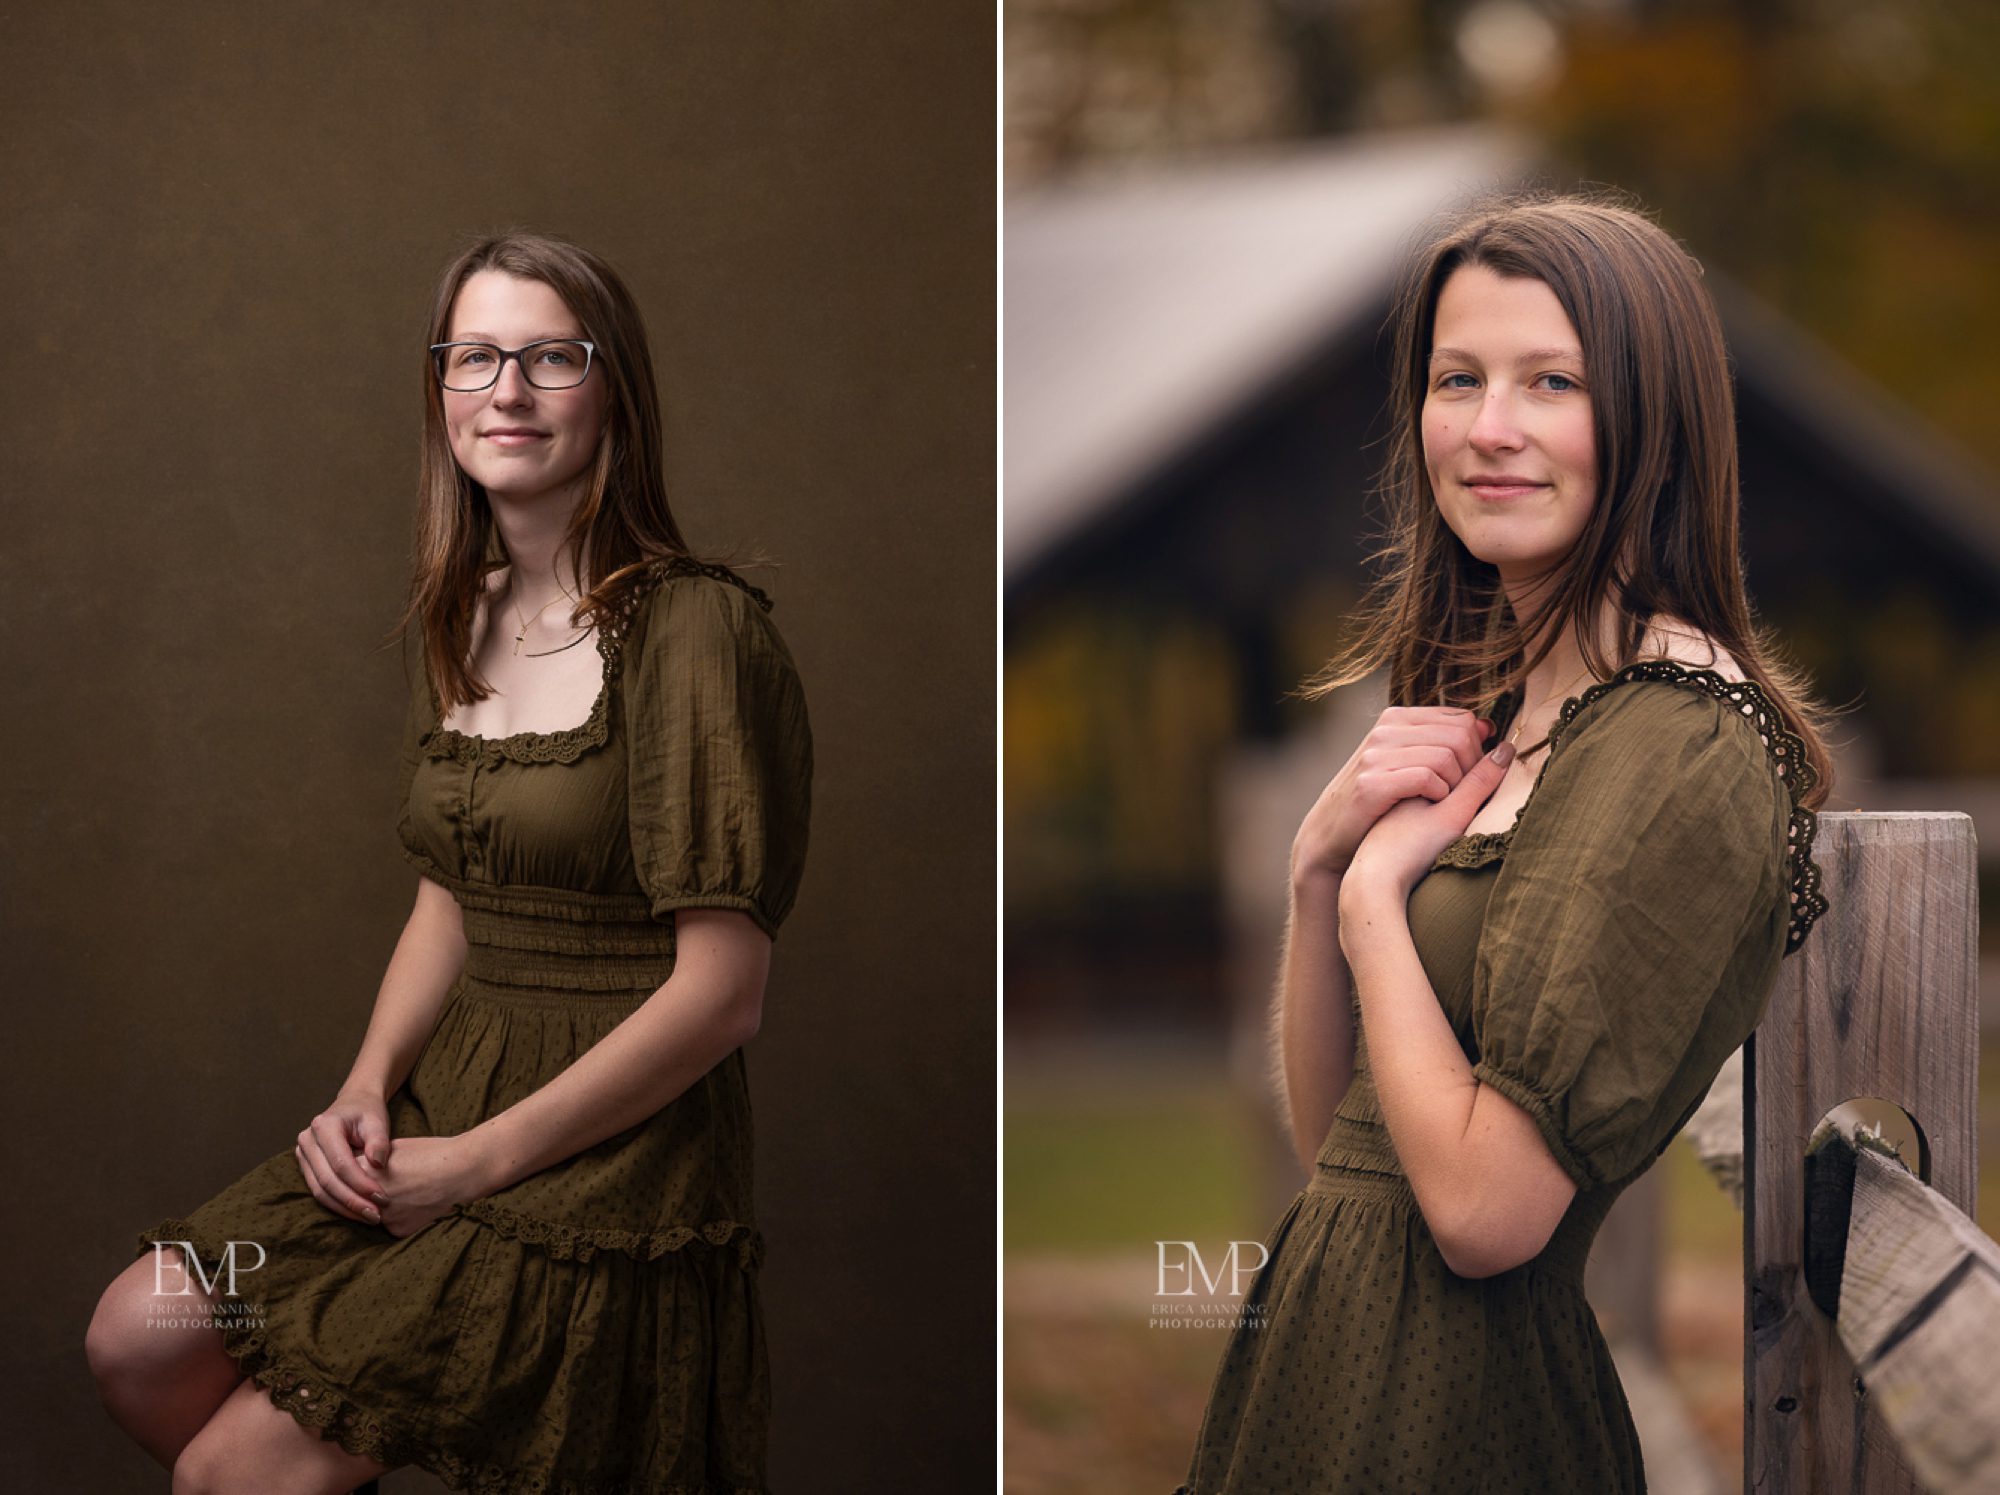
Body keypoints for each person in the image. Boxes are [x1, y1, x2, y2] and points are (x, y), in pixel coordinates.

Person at [84, 230, 813, 1493]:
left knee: (231, 1476)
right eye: (474, 357)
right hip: (437, 1096)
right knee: (141, 1336)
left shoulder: (694, 627)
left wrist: (474, 1164)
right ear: (440, 390)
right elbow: (452, 895)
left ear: (614, 389)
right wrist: (365, 1087)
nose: (507, 392)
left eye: (549, 358)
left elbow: (723, 993)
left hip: (601, 1147)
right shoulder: (464, 607)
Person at [1172, 191, 1833, 1493]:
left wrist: (1374, 905)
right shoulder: (1503, 711)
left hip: (1455, 1422)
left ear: (1650, 421)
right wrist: (1319, 872)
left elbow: (1482, 1213)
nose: (1488, 429)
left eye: (1551, 382)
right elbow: (1346, 1154)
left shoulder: (1675, 741)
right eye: (1457, 378)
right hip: (1322, 1377)